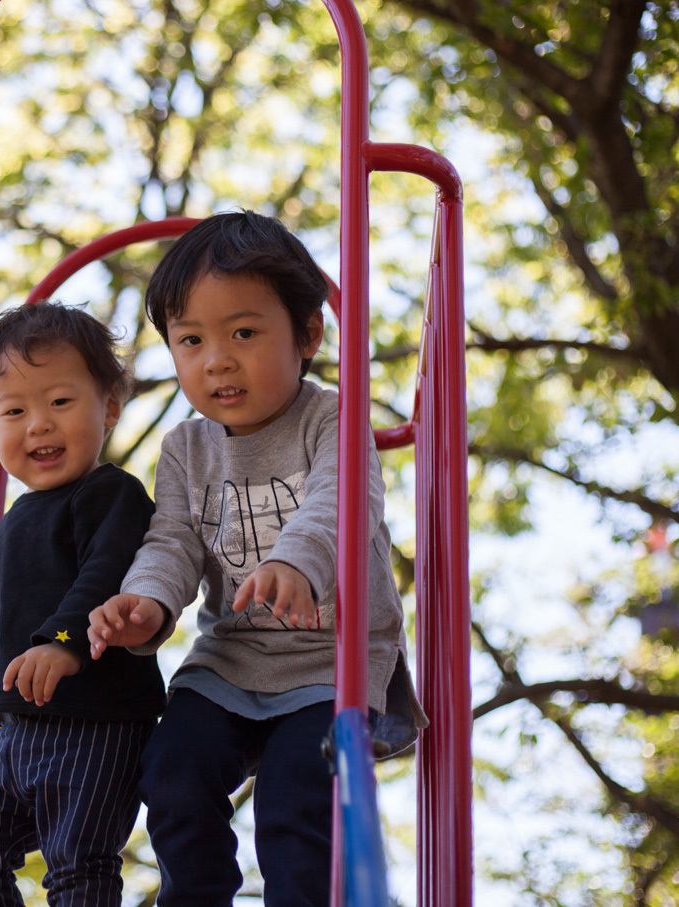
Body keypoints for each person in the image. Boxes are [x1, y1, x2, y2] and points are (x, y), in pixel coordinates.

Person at [87, 210, 426, 907]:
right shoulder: (185, 447)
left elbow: (341, 501)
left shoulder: (331, 417)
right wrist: (147, 602)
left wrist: (298, 562)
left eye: (243, 331)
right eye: (191, 339)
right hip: (231, 660)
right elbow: (173, 541)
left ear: (307, 333)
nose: (217, 358)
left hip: (331, 662)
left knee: (299, 799)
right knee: (172, 770)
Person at [0, 302, 166, 906]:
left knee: (78, 865)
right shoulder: (6, 528)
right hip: (16, 732)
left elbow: (107, 575)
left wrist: (64, 643)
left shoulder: (111, 494)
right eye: (15, 411)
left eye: (59, 402)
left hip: (95, 723)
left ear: (108, 406)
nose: (38, 425)